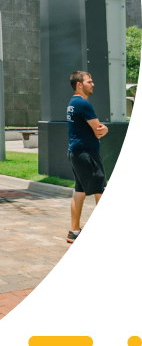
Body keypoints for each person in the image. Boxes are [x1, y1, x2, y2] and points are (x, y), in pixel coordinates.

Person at [66, 71, 108, 244]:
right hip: (87, 154)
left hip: (76, 153)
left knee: (79, 192)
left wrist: (101, 129)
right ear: (79, 85)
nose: (93, 84)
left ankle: (74, 232)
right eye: (89, 81)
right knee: (101, 191)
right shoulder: (83, 104)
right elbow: (98, 131)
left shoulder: (72, 103)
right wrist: (105, 129)